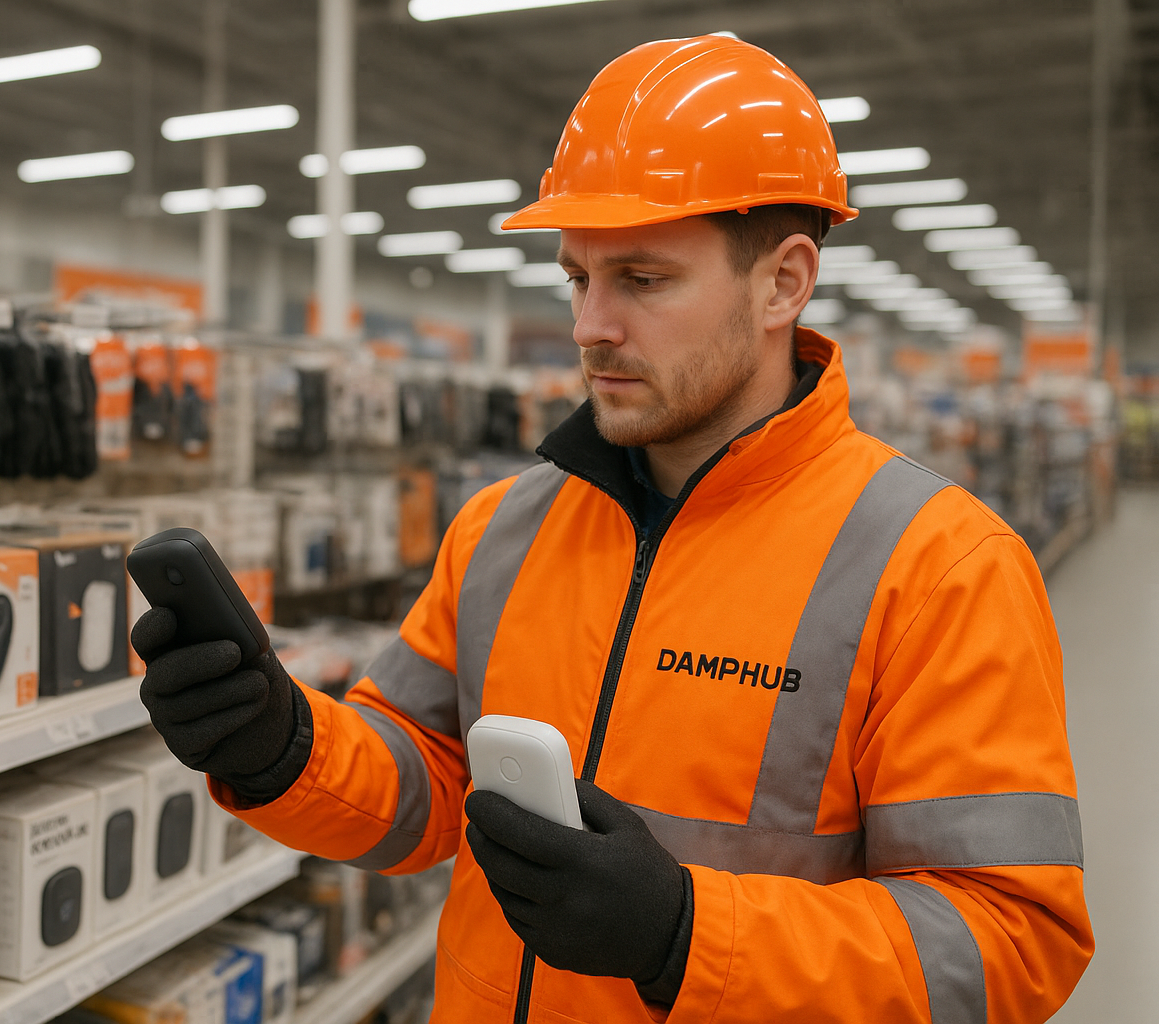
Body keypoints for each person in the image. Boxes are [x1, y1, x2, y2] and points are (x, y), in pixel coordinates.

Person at [131, 35, 1093, 1023]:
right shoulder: (502, 527)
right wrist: (282, 747)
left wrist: (685, 934)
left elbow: (1011, 941)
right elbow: (422, 781)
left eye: (641, 279)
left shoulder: (938, 566)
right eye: (578, 277)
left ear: (783, 283)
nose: (590, 324)